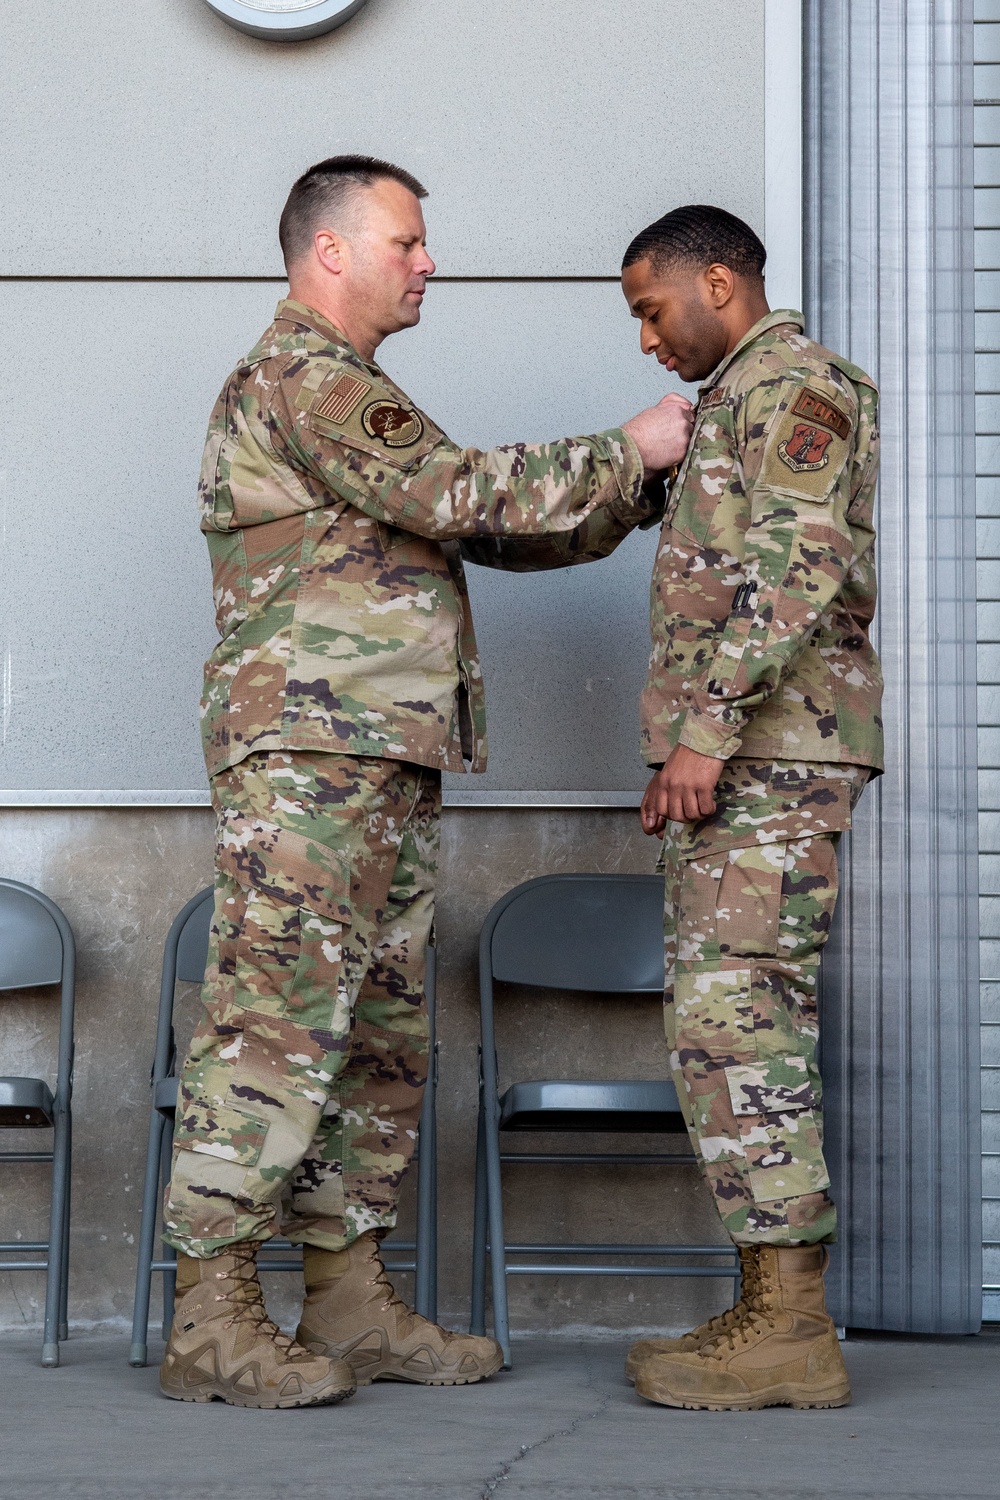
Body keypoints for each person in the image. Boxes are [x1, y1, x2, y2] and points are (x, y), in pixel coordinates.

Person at [158, 155, 694, 1409]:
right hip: (308, 757)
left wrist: (637, 485)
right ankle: (212, 1321)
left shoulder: (354, 394)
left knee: (378, 1038)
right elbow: (457, 492)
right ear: (329, 251)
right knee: (276, 1026)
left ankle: (347, 1302)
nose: (426, 259)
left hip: (380, 757)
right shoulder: (303, 375)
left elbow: (484, 529)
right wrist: (622, 444)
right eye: (405, 240)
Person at [616, 205, 883, 1411]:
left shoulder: (801, 388)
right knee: (725, 1029)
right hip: (746, 759)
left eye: (649, 308)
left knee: (742, 1026)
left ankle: (791, 1327)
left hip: (769, 755)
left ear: (717, 283)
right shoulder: (735, 399)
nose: (644, 336)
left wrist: (704, 733)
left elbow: (792, 569)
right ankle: (770, 1303)